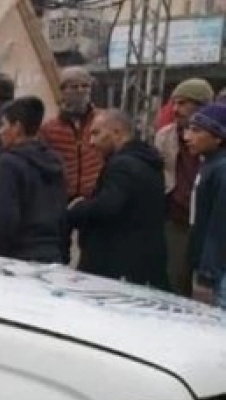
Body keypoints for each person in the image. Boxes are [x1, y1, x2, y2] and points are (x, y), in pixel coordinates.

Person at [64, 110, 168, 289]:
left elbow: (108, 206)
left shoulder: (122, 165)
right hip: (139, 263)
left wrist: (77, 208)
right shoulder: (148, 163)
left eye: (96, 133)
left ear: (117, 132)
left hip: (116, 265)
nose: (91, 142)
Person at [0, 97, 68, 263]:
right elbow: (62, 210)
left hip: (20, 256)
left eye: (3, 125)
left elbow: (6, 218)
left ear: (17, 127)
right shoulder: (55, 161)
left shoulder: (8, 163)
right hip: (53, 252)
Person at [154, 78, 212, 296]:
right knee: (173, 280)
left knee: (206, 285)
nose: (176, 109)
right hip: (177, 217)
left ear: (201, 106)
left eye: (183, 103)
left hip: (208, 221)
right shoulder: (165, 136)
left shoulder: (215, 137)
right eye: (174, 103)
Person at [41, 66, 104, 202]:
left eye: (85, 86)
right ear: (63, 91)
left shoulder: (103, 121)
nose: (80, 91)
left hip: (95, 197)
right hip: (62, 199)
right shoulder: (49, 128)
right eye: (74, 87)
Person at [186, 103, 226, 307]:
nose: (187, 137)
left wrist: (208, 273)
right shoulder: (210, 165)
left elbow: (220, 226)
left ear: (218, 137)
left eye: (196, 131)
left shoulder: (222, 170)